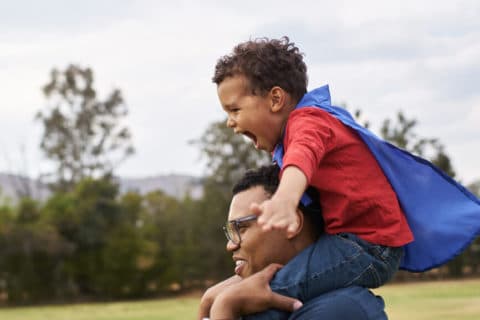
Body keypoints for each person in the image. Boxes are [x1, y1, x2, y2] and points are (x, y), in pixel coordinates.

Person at [212, 37, 411, 299]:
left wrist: (285, 199)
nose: (230, 123)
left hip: (368, 247)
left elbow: (301, 157)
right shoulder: (293, 135)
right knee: (236, 290)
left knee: (254, 296)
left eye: (235, 110)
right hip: (348, 243)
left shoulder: (308, 122)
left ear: (275, 99)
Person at [199, 165, 387, 319]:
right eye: (230, 232)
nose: (230, 245)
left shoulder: (338, 311)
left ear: (291, 222)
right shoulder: (260, 306)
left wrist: (224, 308)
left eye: (241, 228)